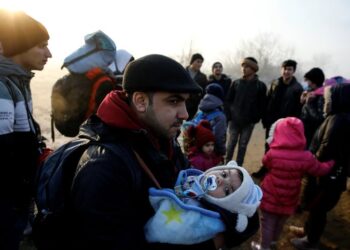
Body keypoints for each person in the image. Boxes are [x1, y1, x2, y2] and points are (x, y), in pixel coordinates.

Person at [63, 54, 258, 250]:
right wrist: (216, 240)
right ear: (140, 101)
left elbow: (184, 179)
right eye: (174, 101)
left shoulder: (161, 138)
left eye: (185, 102)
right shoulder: (102, 167)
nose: (185, 114)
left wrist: (232, 205)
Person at [0, 9, 52, 250]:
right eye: (42, 46)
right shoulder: (2, 86)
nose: (49, 54)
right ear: (17, 46)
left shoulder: (17, 81)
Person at [250, 117, 334, 250]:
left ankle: (264, 246)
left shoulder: (272, 153)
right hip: (290, 196)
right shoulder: (306, 157)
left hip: (271, 194)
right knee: (280, 221)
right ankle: (273, 242)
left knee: (267, 222)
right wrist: (331, 163)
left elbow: (265, 162)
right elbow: (319, 169)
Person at [145, 161, 262, 247]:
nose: (219, 180)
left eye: (227, 190)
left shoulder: (207, 217)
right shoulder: (195, 179)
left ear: (225, 204)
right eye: (224, 174)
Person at [290, 83, 350, 250]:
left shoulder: (339, 120)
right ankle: (307, 231)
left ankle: (311, 241)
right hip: (327, 174)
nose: (325, 103)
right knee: (315, 206)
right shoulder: (337, 117)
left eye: (328, 99)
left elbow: (326, 148)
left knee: (318, 208)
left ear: (338, 99)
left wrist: (311, 161)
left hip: (327, 175)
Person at [253, 59, 303, 178]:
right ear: (281, 70)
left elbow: (298, 109)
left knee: (281, 149)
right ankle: (265, 168)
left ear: (293, 71)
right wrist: (265, 118)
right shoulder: (275, 83)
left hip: (286, 124)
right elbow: (267, 100)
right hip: (271, 121)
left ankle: (275, 171)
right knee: (268, 146)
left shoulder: (297, 88)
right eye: (284, 69)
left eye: (289, 69)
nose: (286, 71)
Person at [225, 57, 267, 165]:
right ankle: (226, 166)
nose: (244, 69)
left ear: (253, 69)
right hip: (234, 121)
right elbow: (228, 100)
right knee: (230, 144)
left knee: (243, 146)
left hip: (248, 122)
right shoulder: (236, 83)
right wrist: (230, 116)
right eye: (243, 66)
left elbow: (262, 105)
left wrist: (255, 118)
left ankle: (238, 169)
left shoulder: (260, 86)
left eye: (247, 67)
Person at [197, 83, 227, 156]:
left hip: (197, 152)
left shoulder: (200, 111)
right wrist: (222, 151)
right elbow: (219, 137)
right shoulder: (220, 116)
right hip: (212, 153)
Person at [300, 67, 326, 147]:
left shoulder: (322, 95)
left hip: (314, 136)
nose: (307, 83)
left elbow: (319, 118)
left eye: (308, 80)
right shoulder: (311, 93)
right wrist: (302, 102)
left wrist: (308, 104)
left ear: (314, 81)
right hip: (305, 133)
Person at [186, 53, 208, 120]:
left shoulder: (203, 77)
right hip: (181, 103)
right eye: (198, 61)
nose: (200, 64)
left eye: (201, 62)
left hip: (194, 106)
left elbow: (204, 92)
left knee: (188, 126)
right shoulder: (182, 72)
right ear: (192, 61)